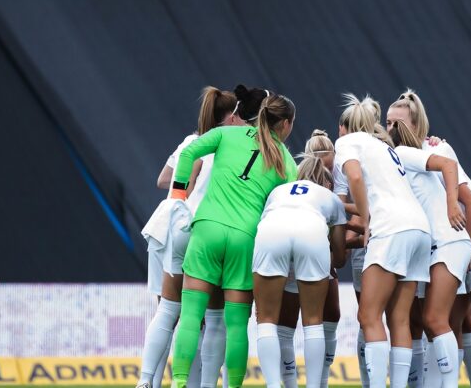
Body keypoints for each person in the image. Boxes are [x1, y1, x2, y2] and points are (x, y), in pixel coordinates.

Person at [168, 93, 298, 388]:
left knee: (190, 314)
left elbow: (188, 154)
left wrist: (178, 196)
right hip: (246, 237)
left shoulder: (227, 132)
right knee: (237, 325)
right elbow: (289, 207)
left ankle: (178, 383)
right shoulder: (287, 162)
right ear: (286, 124)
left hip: (208, 228)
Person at [386, 90, 471, 388]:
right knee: (453, 322)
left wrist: (465, 246)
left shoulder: (437, 149)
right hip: (451, 240)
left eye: (397, 123)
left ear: (416, 125)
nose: (391, 129)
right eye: (387, 122)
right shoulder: (402, 156)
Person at [138, 86, 243, 388]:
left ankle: (147, 382)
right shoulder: (230, 146)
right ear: (233, 117)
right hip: (201, 227)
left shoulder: (191, 141)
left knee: (167, 312)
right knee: (208, 318)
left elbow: (162, 180)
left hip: (165, 226)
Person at [335, 94, 433, 388]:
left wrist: (364, 219)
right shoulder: (383, 146)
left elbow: (353, 178)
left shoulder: (347, 143)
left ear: (344, 127)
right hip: (419, 229)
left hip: (390, 228)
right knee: (400, 319)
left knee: (369, 315)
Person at [388, 121, 471, 388]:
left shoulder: (402, 154)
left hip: (448, 240)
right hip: (438, 244)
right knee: (433, 321)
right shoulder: (399, 162)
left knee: (434, 319)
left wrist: (452, 203)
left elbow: (448, 165)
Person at [253, 145, 348, 388]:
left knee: (266, 320)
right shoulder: (331, 198)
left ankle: (275, 385)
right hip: (311, 232)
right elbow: (339, 258)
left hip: (272, 229)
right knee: (313, 321)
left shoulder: (279, 190)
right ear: (326, 181)